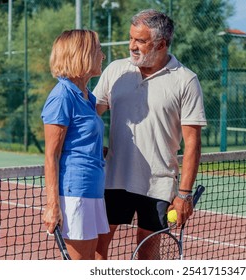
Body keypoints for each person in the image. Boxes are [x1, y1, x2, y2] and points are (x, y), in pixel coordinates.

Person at [93, 9, 207, 260]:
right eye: (131, 38)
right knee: (98, 250)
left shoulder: (186, 81)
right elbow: (90, 116)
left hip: (158, 184)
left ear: (162, 43)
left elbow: (192, 144)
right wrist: (92, 148)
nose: (132, 46)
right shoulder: (115, 71)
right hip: (113, 179)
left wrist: (184, 194)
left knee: (147, 254)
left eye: (141, 41)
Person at [41, 29, 109, 260]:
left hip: (93, 190)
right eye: (99, 50)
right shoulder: (62, 96)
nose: (103, 56)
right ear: (83, 54)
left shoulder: (87, 97)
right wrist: (53, 205)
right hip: (75, 193)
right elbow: (51, 156)